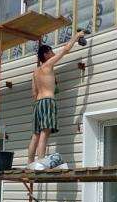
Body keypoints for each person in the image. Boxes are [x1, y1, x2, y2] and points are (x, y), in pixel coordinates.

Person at [27, 31, 85, 168]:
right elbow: (65, 50)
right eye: (51, 52)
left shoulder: (35, 72)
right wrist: (76, 36)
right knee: (44, 132)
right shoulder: (48, 65)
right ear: (46, 54)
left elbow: (33, 93)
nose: (53, 54)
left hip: (38, 104)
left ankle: (30, 163)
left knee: (35, 134)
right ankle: (41, 161)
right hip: (47, 101)